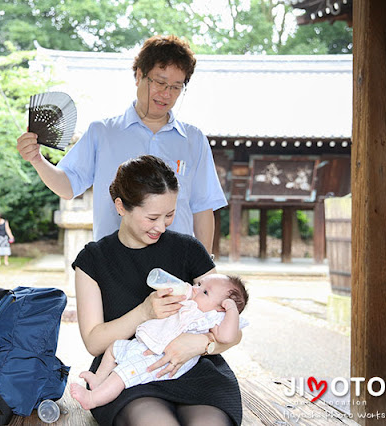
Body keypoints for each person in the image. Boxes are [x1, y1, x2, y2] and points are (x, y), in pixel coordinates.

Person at [72, 155, 243, 425]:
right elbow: (94, 342)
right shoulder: (93, 260)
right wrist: (143, 312)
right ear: (121, 207)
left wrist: (200, 344)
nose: (162, 226)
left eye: (170, 215)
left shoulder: (189, 249)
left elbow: (232, 330)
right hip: (127, 372)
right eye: (152, 217)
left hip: (194, 369)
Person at [17, 35, 226, 253]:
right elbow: (68, 186)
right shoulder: (102, 132)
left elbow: (202, 208)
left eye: (176, 87)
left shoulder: (194, 140)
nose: (166, 94)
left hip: (176, 265)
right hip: (114, 264)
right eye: (160, 82)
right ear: (139, 75)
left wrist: (204, 268)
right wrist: (37, 160)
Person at [70, 273, 249, 410]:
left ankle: (92, 399)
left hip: (160, 359)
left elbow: (227, 337)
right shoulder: (188, 301)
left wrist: (231, 311)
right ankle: (98, 380)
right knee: (113, 348)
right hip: (145, 346)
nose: (195, 288)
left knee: (122, 374)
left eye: (204, 291)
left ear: (222, 307)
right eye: (199, 283)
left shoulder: (213, 317)